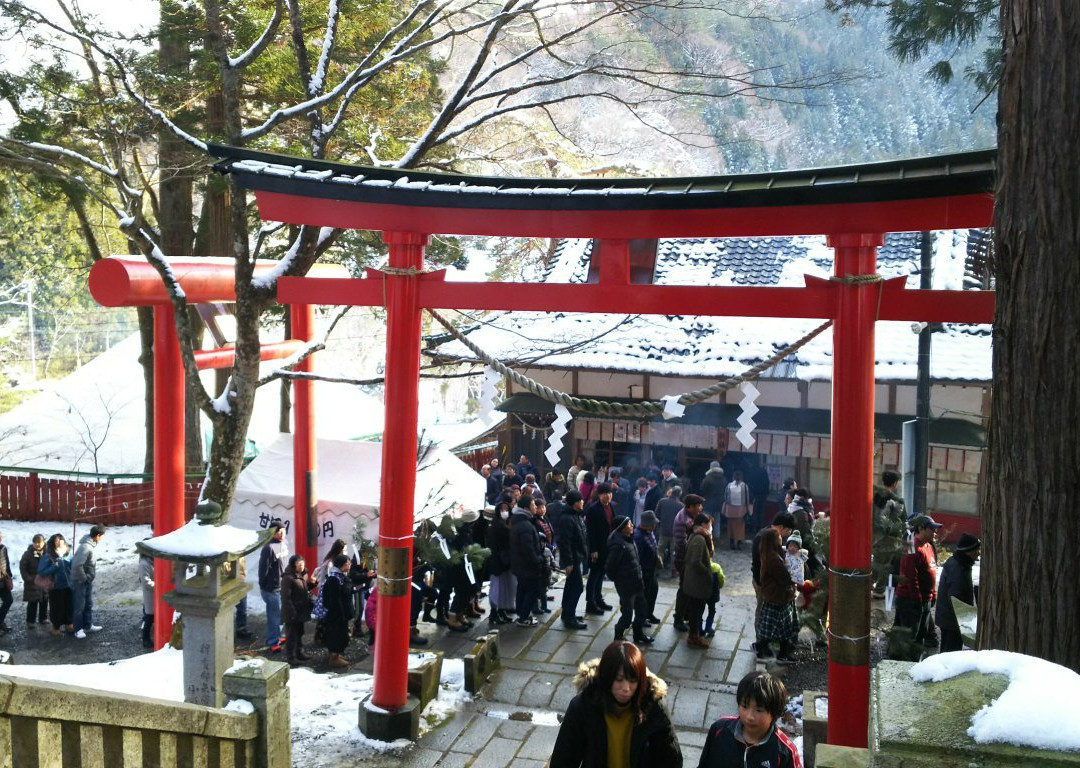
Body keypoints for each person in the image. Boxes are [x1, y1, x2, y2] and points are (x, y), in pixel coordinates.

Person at [550, 640, 682, 768]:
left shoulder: (653, 706)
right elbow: (563, 760)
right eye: (619, 680)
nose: (626, 688)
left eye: (633, 681)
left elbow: (670, 759)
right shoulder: (583, 706)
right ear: (606, 677)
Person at [697, 670, 801, 768]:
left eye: (759, 710)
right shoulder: (719, 730)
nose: (749, 717)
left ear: (774, 713)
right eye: (744, 706)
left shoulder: (784, 752)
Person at [891, 513, 942, 656]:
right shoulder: (912, 547)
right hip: (911, 601)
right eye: (932, 529)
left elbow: (932, 570)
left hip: (925, 600)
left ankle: (915, 662)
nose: (935, 532)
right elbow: (910, 576)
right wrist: (917, 599)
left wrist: (933, 595)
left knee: (921, 636)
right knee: (909, 638)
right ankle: (901, 663)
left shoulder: (929, 546)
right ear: (921, 528)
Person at [751, 511, 795, 658]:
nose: (787, 535)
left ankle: (765, 645)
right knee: (765, 616)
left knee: (771, 617)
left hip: (770, 587)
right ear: (781, 527)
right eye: (788, 530)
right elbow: (759, 565)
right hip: (768, 587)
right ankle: (760, 644)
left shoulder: (768, 539)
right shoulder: (765, 541)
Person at [605, 516, 651, 644]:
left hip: (637, 583)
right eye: (629, 524)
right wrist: (620, 579)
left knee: (642, 611)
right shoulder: (619, 545)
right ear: (622, 528)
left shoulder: (629, 540)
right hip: (626, 586)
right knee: (627, 616)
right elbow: (610, 567)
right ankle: (618, 636)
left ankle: (638, 634)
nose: (632, 526)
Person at [935, 533, 981, 652]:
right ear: (969, 551)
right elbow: (956, 597)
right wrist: (966, 621)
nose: (978, 553)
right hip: (952, 621)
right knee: (950, 652)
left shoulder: (958, 563)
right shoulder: (959, 568)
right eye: (976, 550)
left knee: (948, 650)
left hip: (949, 618)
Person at [509, 495, 545, 627]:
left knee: (522, 589)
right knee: (532, 590)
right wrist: (538, 560)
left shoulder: (521, 521)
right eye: (533, 505)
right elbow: (528, 549)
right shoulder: (525, 525)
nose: (535, 507)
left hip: (521, 565)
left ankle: (522, 614)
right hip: (527, 565)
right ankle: (523, 617)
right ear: (526, 508)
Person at [682, 513, 715, 649]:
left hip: (694, 581)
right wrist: (707, 572)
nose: (710, 527)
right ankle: (694, 636)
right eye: (709, 524)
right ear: (703, 525)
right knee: (696, 611)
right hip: (696, 582)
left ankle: (694, 635)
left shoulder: (698, 536)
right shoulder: (699, 539)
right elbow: (695, 561)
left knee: (696, 610)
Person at [671, 494, 704, 632]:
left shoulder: (692, 517)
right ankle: (678, 618)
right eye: (698, 505)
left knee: (688, 588)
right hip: (683, 559)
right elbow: (681, 544)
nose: (700, 508)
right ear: (690, 507)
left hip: (688, 558)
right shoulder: (683, 520)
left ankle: (686, 614)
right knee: (684, 589)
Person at [557, 490, 588, 630]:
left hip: (577, 557)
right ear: (575, 503)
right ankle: (570, 617)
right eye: (580, 500)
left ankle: (567, 613)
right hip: (572, 559)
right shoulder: (566, 518)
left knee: (570, 586)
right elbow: (565, 542)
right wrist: (568, 562)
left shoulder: (576, 515)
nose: (583, 502)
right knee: (577, 587)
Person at [872, 469, 907, 596]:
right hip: (889, 538)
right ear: (895, 483)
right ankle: (879, 590)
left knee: (877, 562)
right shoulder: (896, 501)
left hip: (873, 536)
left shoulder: (873, 496)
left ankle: (866, 584)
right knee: (886, 565)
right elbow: (901, 520)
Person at [584, 483, 616, 614]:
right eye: (605, 494)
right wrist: (593, 550)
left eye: (609, 493)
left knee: (601, 573)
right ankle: (590, 603)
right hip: (597, 548)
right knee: (594, 575)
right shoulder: (593, 509)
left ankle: (598, 599)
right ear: (600, 495)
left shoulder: (610, 506)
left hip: (607, 546)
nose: (608, 496)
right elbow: (591, 532)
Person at [258, 519, 289, 651]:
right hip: (271, 588)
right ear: (272, 533)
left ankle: (277, 636)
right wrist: (263, 585)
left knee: (280, 615)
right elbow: (262, 569)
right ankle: (272, 641)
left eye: (283, 531)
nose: (281, 533)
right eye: (278, 531)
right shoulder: (268, 548)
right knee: (273, 616)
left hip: (282, 585)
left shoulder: (284, 544)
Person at [71, 524, 105, 639]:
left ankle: (87, 625)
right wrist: (84, 578)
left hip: (86, 580)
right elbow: (77, 565)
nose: (102, 539)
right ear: (98, 536)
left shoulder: (90, 545)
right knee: (79, 606)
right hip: (80, 581)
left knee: (88, 604)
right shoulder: (85, 547)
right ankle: (78, 629)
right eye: (102, 536)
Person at [486, 500, 517, 626]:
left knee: (506, 588)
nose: (504, 512)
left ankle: (502, 611)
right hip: (498, 562)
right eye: (502, 509)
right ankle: (494, 613)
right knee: (497, 589)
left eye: (506, 509)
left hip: (507, 562)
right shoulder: (495, 527)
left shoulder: (509, 524)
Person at [321, 553, 354, 668]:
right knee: (337, 636)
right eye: (347, 564)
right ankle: (333, 658)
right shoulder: (334, 579)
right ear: (342, 565)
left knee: (339, 635)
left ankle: (336, 656)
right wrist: (341, 615)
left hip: (340, 614)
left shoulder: (340, 577)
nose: (349, 565)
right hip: (337, 615)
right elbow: (334, 600)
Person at [38, 533, 74, 636]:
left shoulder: (68, 553)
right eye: (57, 540)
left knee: (69, 605)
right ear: (53, 543)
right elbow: (41, 571)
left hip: (69, 585)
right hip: (55, 586)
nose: (60, 542)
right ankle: (56, 627)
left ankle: (69, 623)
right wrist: (53, 567)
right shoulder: (48, 555)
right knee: (57, 607)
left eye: (61, 539)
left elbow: (72, 566)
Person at [281, 554, 314, 665]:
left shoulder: (300, 575)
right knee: (291, 635)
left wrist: (313, 584)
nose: (302, 566)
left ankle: (299, 653)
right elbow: (286, 597)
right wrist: (292, 611)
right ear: (293, 565)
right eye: (299, 564)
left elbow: (303, 590)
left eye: (303, 564)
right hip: (292, 611)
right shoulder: (288, 578)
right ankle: (291, 657)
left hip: (300, 610)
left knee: (299, 632)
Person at [634, 510, 662, 625]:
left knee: (653, 591)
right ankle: (641, 617)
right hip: (644, 571)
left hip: (651, 570)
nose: (655, 526)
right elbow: (638, 557)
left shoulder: (650, 532)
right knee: (643, 596)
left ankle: (649, 614)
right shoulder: (638, 536)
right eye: (653, 523)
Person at [20, 533, 49, 629]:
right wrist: (28, 578)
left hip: (44, 581)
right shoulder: (28, 554)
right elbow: (23, 567)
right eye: (35, 542)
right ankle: (30, 621)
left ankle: (43, 618)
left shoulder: (47, 553)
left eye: (39, 542)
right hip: (33, 581)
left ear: (44, 542)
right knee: (33, 602)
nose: (37, 544)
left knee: (44, 600)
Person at [655, 486, 684, 577]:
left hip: (663, 530)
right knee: (674, 552)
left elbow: (657, 514)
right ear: (679, 494)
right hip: (675, 532)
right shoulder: (681, 506)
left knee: (660, 550)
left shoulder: (662, 501)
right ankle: (674, 571)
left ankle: (657, 569)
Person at [722, 470, 750, 550]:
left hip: (730, 509)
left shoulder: (729, 485)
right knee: (740, 527)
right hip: (741, 509)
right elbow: (747, 498)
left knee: (730, 526)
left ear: (733, 477)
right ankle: (738, 543)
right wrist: (747, 508)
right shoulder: (744, 486)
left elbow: (725, 496)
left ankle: (731, 542)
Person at [700, 461, 726, 543]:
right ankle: (716, 537)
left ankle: (706, 537)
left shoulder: (708, 478)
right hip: (719, 503)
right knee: (717, 521)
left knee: (706, 521)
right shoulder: (723, 479)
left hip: (708, 502)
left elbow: (702, 489)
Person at [139, 545, 155, 648]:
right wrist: (158, 586)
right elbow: (146, 581)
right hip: (150, 593)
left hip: (154, 592)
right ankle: (145, 639)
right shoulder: (144, 563)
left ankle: (149, 637)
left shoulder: (150, 561)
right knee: (149, 617)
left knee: (151, 616)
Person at [0, 530, 12, 634]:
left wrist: (9, 575)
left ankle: (0, 621)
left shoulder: (3, 548)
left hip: (3, 580)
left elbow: (6, 562)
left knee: (8, 600)